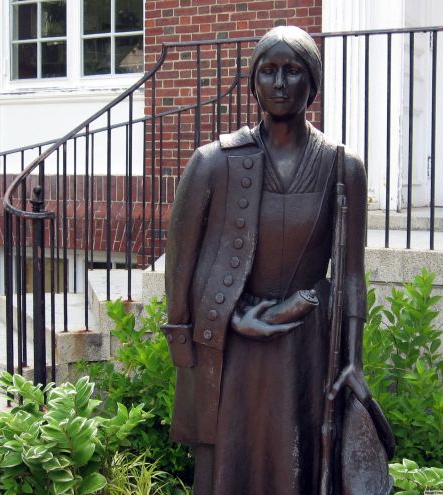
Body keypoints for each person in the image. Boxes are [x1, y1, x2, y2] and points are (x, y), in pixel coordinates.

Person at [162, 25, 394, 495]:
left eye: (293, 71)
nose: (281, 84)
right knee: (235, 459)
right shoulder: (213, 162)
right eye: (269, 71)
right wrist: (224, 321)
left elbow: (350, 275)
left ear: (313, 82)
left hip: (307, 345)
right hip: (237, 346)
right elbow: (180, 264)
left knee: (303, 458)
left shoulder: (342, 165)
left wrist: (353, 362)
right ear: (253, 82)